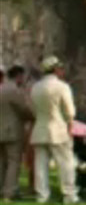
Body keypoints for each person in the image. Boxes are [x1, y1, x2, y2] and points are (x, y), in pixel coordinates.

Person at [30, 56, 78, 204]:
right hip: (58, 129)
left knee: (40, 165)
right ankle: (69, 195)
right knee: (66, 164)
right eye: (61, 68)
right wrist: (70, 125)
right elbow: (70, 111)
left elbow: (33, 110)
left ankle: (42, 195)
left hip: (40, 128)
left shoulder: (35, 87)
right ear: (56, 69)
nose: (62, 71)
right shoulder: (62, 87)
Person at [0, 66, 34, 201]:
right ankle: (10, 192)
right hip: (12, 131)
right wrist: (33, 116)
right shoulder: (12, 90)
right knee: (13, 161)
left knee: (1, 161)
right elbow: (24, 109)